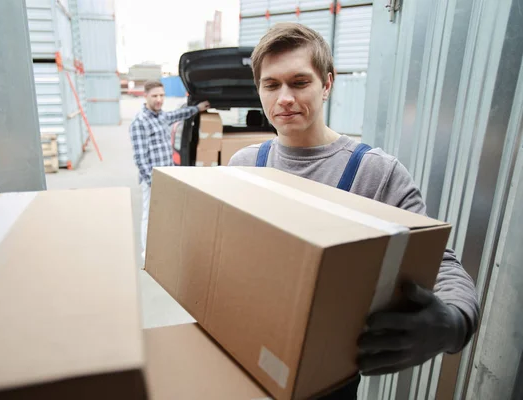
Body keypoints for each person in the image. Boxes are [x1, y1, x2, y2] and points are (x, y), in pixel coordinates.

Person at [228, 23, 480, 399]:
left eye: (299, 83)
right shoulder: (244, 166)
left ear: (327, 84)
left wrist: (455, 322)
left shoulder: (376, 173)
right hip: (246, 357)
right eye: (271, 85)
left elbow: (441, 264)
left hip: (329, 378)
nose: (284, 98)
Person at [129, 80, 210, 262]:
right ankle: (146, 253)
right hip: (153, 179)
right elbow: (140, 159)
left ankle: (164, 245)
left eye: (161, 96)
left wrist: (197, 108)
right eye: (155, 96)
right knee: (149, 215)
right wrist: (153, 182)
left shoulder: (161, 116)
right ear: (146, 96)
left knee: (167, 213)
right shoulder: (140, 122)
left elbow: (178, 114)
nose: (159, 100)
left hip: (167, 175)